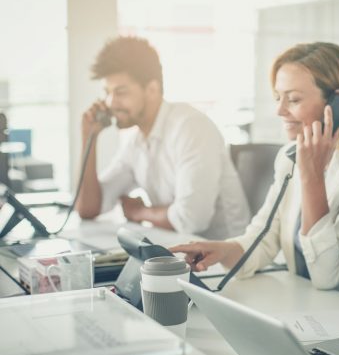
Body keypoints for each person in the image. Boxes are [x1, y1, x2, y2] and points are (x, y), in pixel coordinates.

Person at [170, 42, 339, 300]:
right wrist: (222, 250)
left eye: (293, 99)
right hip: (304, 305)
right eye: (278, 97)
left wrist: (312, 176)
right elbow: (264, 237)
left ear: (336, 103)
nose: (280, 110)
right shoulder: (289, 157)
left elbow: (329, 274)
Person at [75, 36, 249, 239]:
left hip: (223, 261)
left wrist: (140, 213)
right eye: (107, 93)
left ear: (152, 90)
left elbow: (191, 220)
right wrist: (89, 138)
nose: (110, 103)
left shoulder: (190, 128)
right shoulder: (136, 141)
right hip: (179, 252)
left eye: (121, 92)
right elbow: (88, 209)